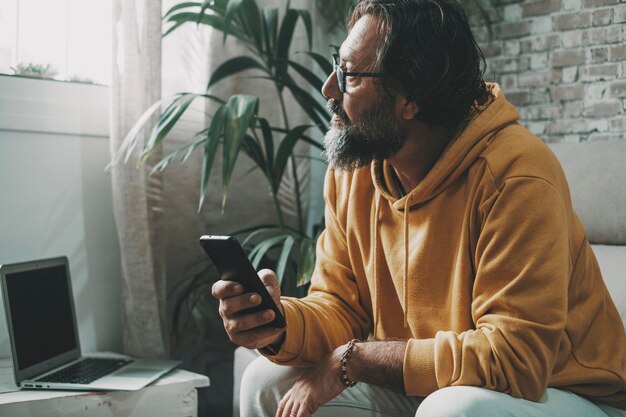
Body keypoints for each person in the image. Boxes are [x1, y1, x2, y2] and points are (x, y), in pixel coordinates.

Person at [212, 1, 626, 416]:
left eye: (349, 75)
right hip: (434, 384)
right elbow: (340, 306)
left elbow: (514, 359)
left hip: (568, 395)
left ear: (410, 97)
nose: (329, 89)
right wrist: (280, 325)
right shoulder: (356, 170)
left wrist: (352, 360)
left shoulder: (516, 176)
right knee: (265, 382)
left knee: (453, 410)